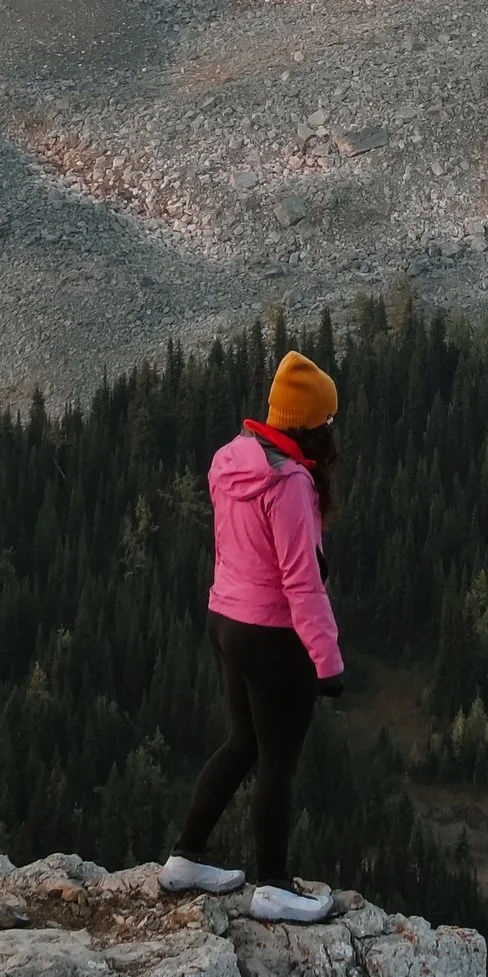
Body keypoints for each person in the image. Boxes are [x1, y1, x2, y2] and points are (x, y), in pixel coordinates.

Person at [161, 347, 347, 922]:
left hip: (227, 623)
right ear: (311, 425)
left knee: (242, 742)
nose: (332, 430)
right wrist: (328, 663)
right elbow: (302, 581)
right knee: (277, 763)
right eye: (328, 421)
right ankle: (273, 885)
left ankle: (185, 859)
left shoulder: (231, 461)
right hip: (272, 636)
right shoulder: (289, 482)